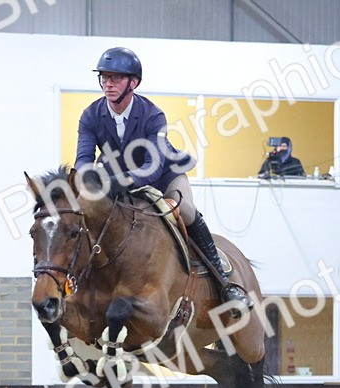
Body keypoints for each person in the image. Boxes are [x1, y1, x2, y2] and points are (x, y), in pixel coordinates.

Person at [75, 46, 250, 315]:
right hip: (117, 184)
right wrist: (88, 181)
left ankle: (226, 284)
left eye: (115, 78)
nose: (108, 84)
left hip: (163, 178)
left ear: (133, 83)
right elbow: (84, 159)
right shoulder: (90, 115)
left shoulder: (152, 115)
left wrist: (122, 181)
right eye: (104, 78)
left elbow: (152, 167)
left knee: (186, 212)